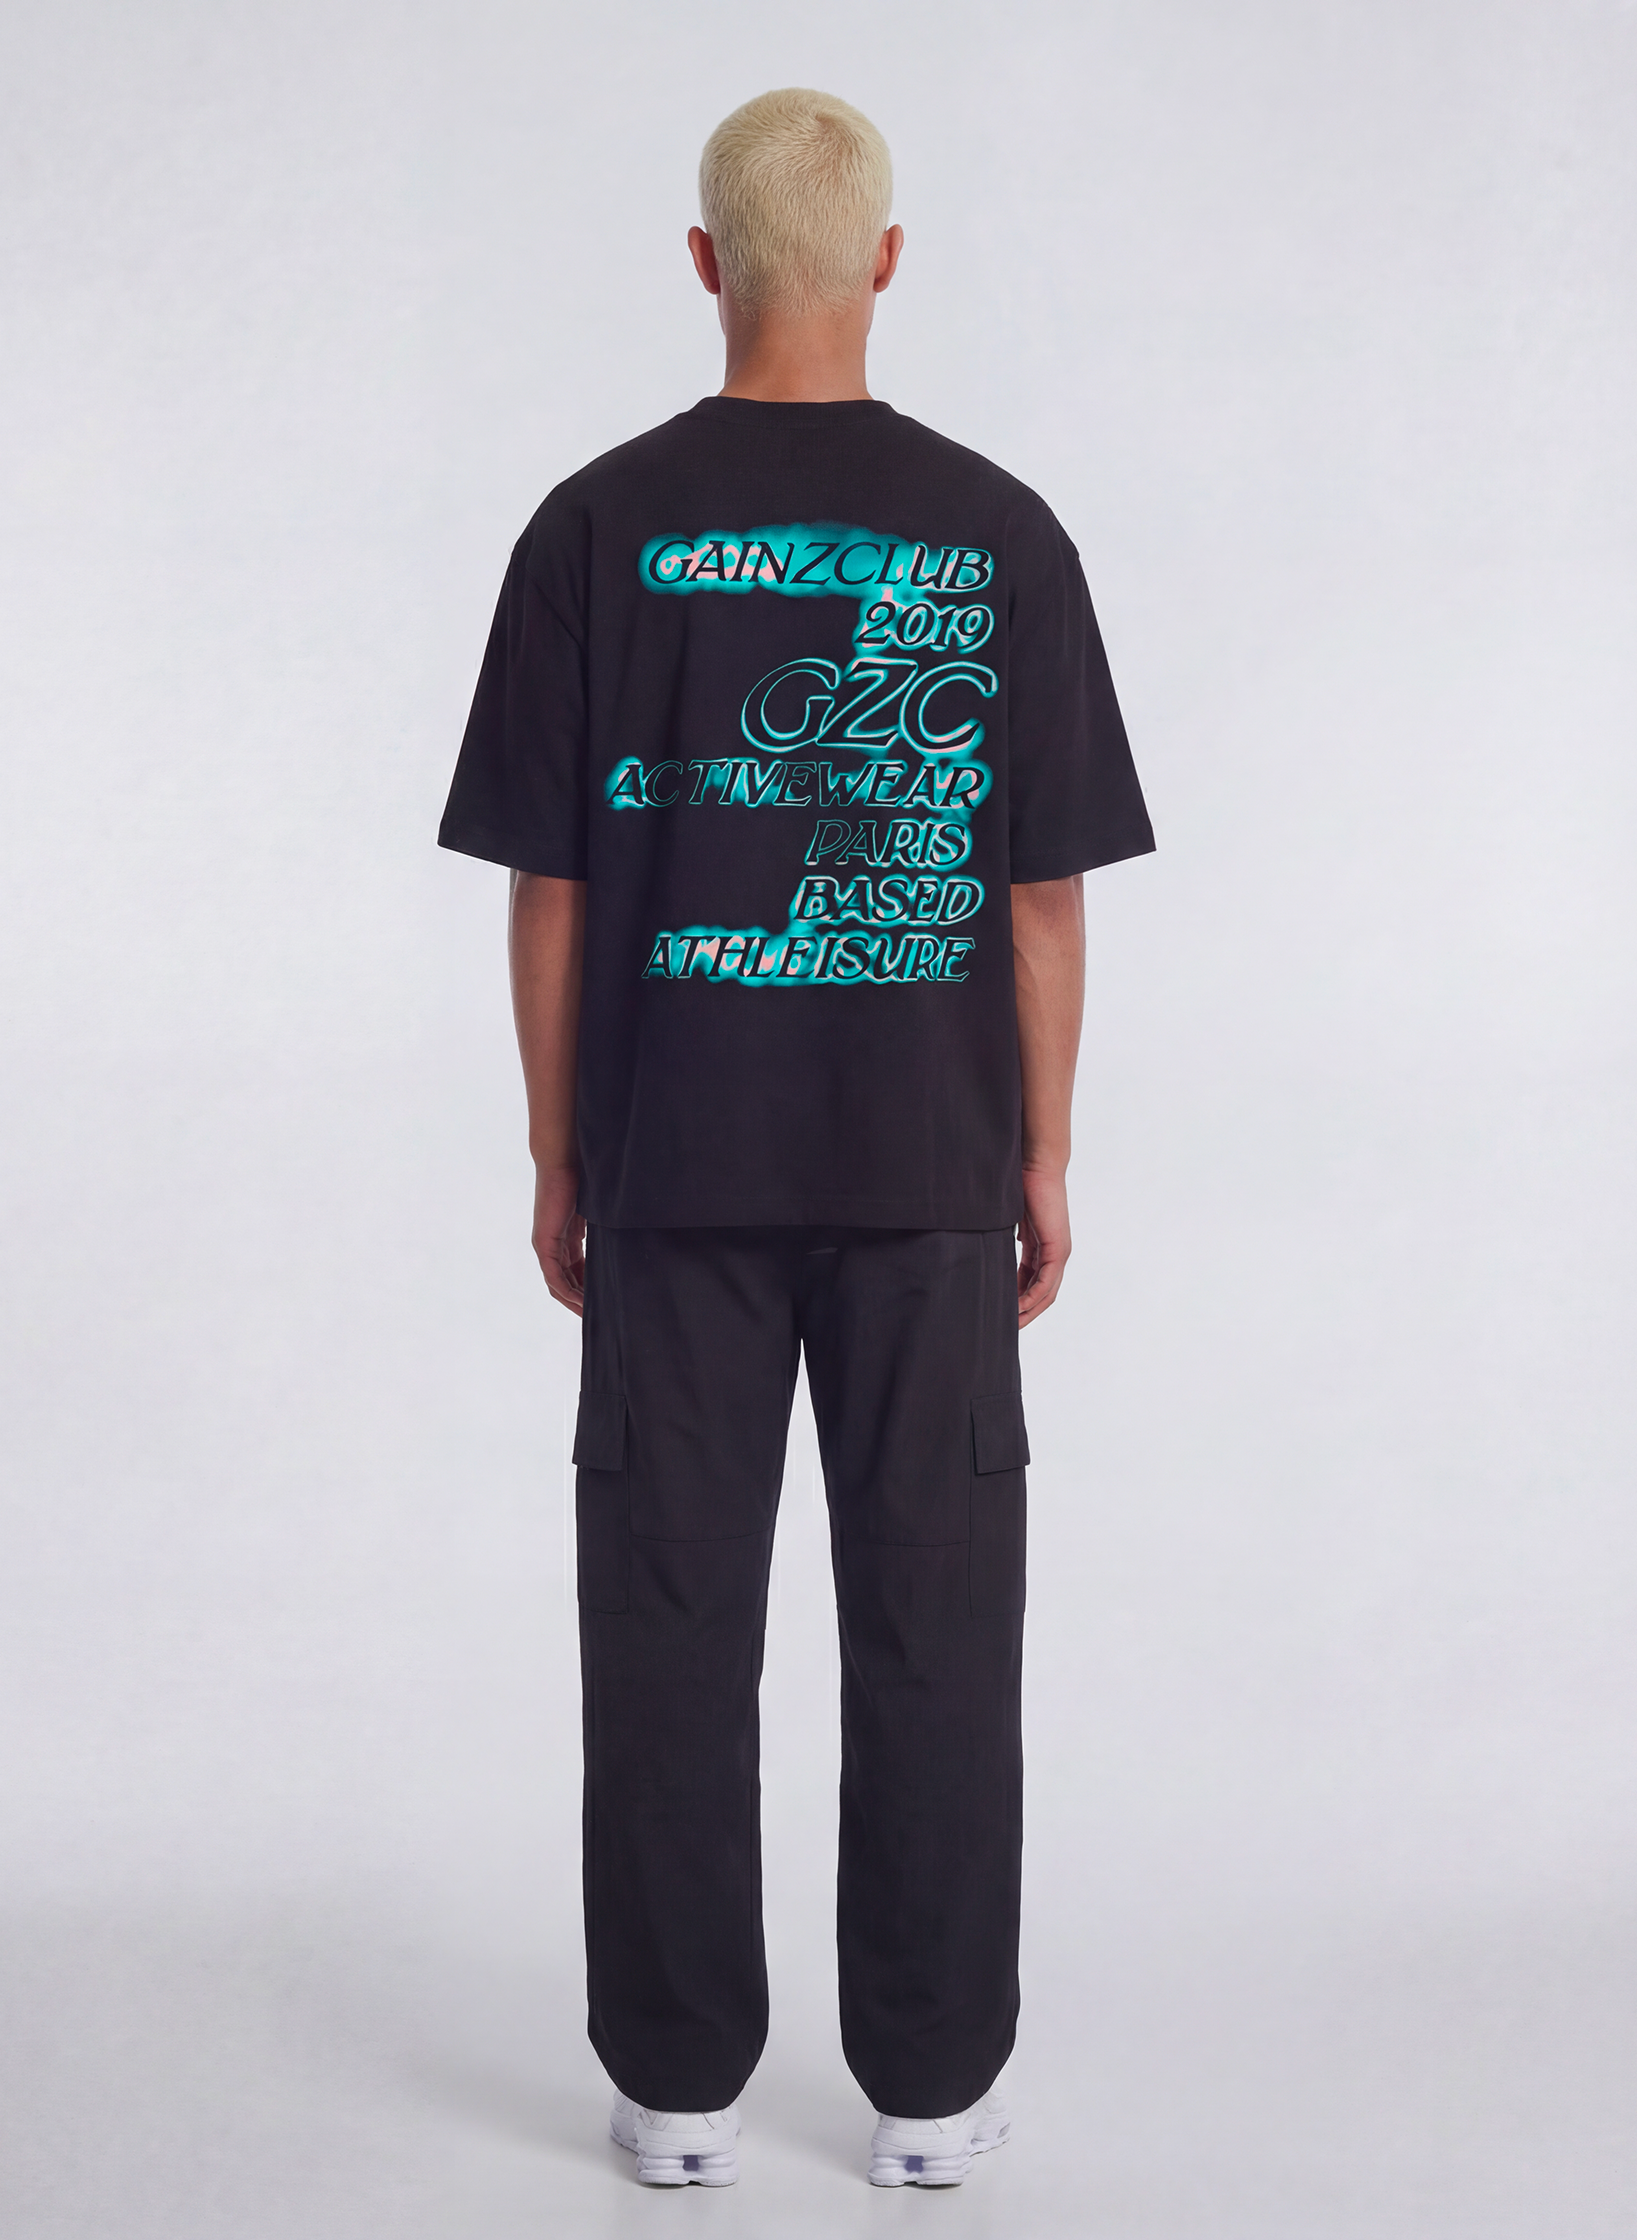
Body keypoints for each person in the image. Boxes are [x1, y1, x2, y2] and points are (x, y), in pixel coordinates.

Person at [437, 86, 1153, 2190]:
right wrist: (1044, 1150)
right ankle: (930, 2090)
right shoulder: (1000, 535)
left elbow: (551, 884)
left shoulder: (595, 528)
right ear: (888, 264)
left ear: (705, 264)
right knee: (938, 1618)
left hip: (677, 1164)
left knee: (667, 1610)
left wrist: (559, 1148)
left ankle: (676, 2085)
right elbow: (1041, 894)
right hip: (928, 1171)